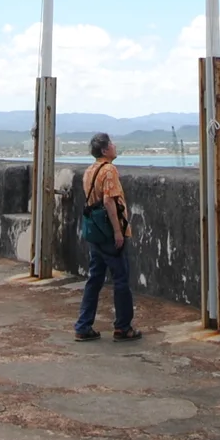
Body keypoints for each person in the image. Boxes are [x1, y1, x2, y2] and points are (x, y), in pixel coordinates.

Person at [73, 132, 138, 341]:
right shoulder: (109, 170)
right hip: (109, 232)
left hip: (96, 233)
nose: (114, 146)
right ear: (104, 150)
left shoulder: (90, 171)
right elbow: (109, 202)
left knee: (95, 279)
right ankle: (123, 327)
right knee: (121, 279)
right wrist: (118, 231)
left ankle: (83, 325)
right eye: (111, 144)